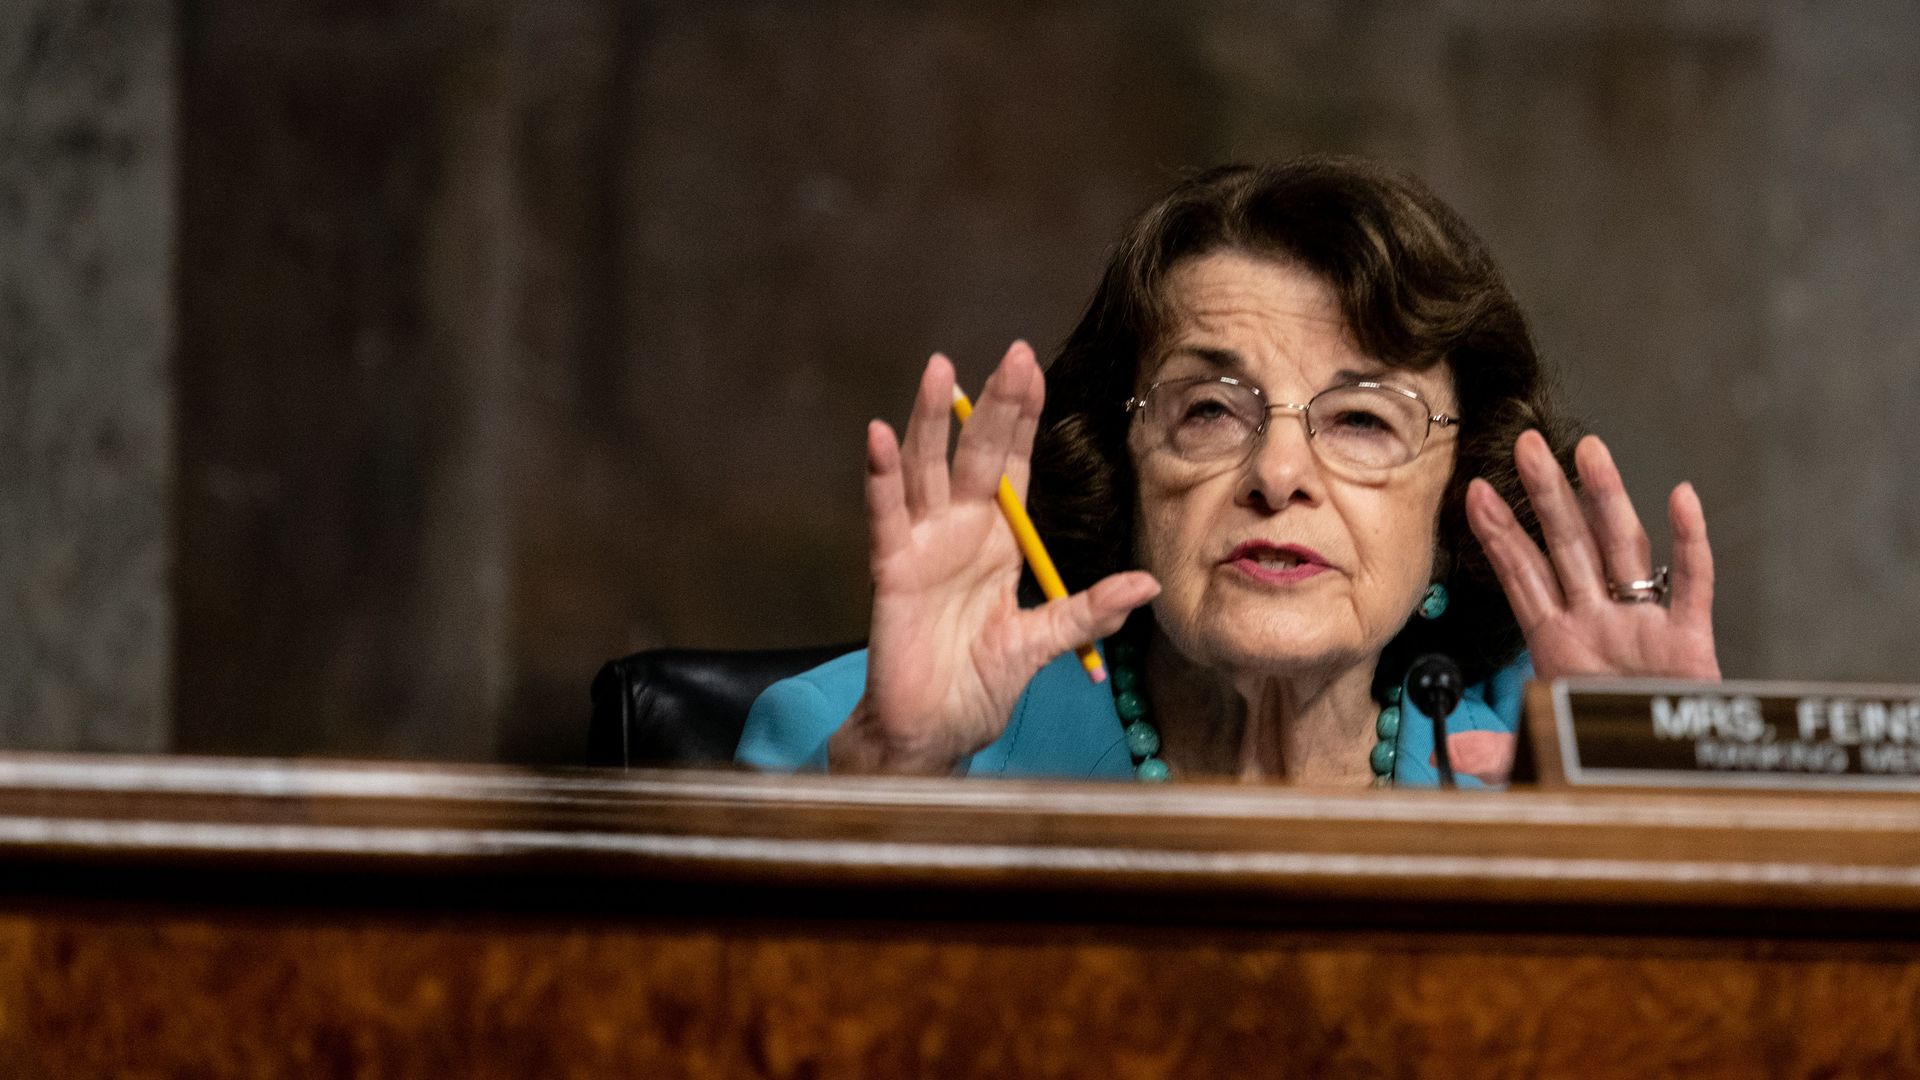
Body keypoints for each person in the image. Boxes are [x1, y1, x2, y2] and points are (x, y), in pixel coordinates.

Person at [736, 158, 1721, 787]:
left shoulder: (1544, 753)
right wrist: (893, 784)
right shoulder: (849, 740)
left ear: (1458, 502)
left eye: (1365, 420)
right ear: (1120, 467)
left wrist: (1662, 823)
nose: (1279, 473)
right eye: (1208, 410)